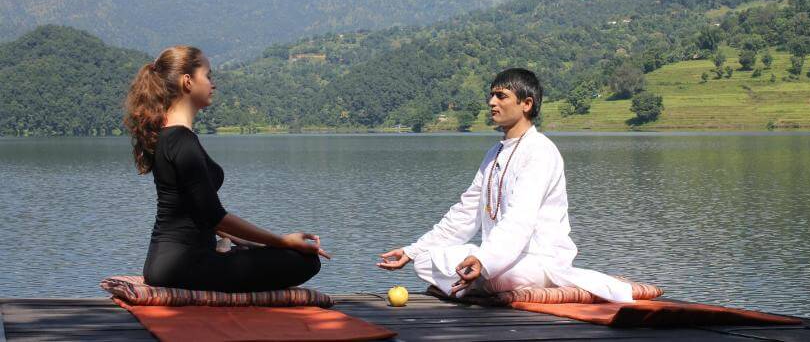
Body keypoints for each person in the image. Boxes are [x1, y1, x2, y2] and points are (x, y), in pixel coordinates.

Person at [377, 68, 633, 302]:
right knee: (426, 261)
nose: (491, 103)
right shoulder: (494, 153)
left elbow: (519, 221)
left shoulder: (540, 151)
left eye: (501, 96)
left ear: (526, 104)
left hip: (538, 261)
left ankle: (480, 282)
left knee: (493, 275)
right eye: (491, 96)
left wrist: (484, 260)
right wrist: (411, 251)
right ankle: (477, 282)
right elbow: (464, 214)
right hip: (501, 259)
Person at [124, 45, 329, 292]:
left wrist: (254, 243)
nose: (213, 84)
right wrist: (283, 241)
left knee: (280, 254)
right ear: (187, 82)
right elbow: (215, 216)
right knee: (305, 261)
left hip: (168, 263)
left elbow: (200, 216)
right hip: (184, 265)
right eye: (207, 76)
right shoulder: (181, 142)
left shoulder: (169, 137)